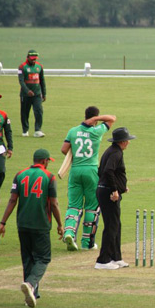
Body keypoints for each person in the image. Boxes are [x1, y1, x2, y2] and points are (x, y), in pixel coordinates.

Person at [0, 149, 64, 308]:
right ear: (45, 161)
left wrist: (3, 223)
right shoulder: (49, 177)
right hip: (40, 225)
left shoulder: (20, 175)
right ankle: (31, 284)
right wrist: (60, 225)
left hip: (23, 225)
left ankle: (31, 296)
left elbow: (13, 200)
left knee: (28, 259)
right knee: (43, 258)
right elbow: (54, 203)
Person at [60, 107, 116, 251]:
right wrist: (97, 120)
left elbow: (64, 149)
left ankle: (69, 233)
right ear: (95, 118)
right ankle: (87, 243)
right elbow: (112, 118)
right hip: (91, 170)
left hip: (75, 171)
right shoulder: (96, 131)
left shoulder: (72, 131)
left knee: (74, 205)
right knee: (92, 206)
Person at [95, 127, 135, 270]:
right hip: (108, 194)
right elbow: (107, 171)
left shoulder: (112, 151)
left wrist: (121, 187)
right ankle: (102, 260)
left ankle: (116, 258)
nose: (129, 143)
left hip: (106, 191)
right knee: (111, 226)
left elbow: (101, 171)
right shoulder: (115, 153)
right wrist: (114, 190)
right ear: (122, 142)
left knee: (116, 225)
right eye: (127, 140)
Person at [18, 49, 47, 137]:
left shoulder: (39, 66)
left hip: (37, 94)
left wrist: (44, 93)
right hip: (25, 95)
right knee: (25, 112)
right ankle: (25, 130)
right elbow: (21, 81)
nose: (34, 60)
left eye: (35, 58)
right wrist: (27, 91)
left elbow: (42, 80)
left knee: (39, 111)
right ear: (28, 57)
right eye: (32, 58)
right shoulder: (22, 67)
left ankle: (38, 130)